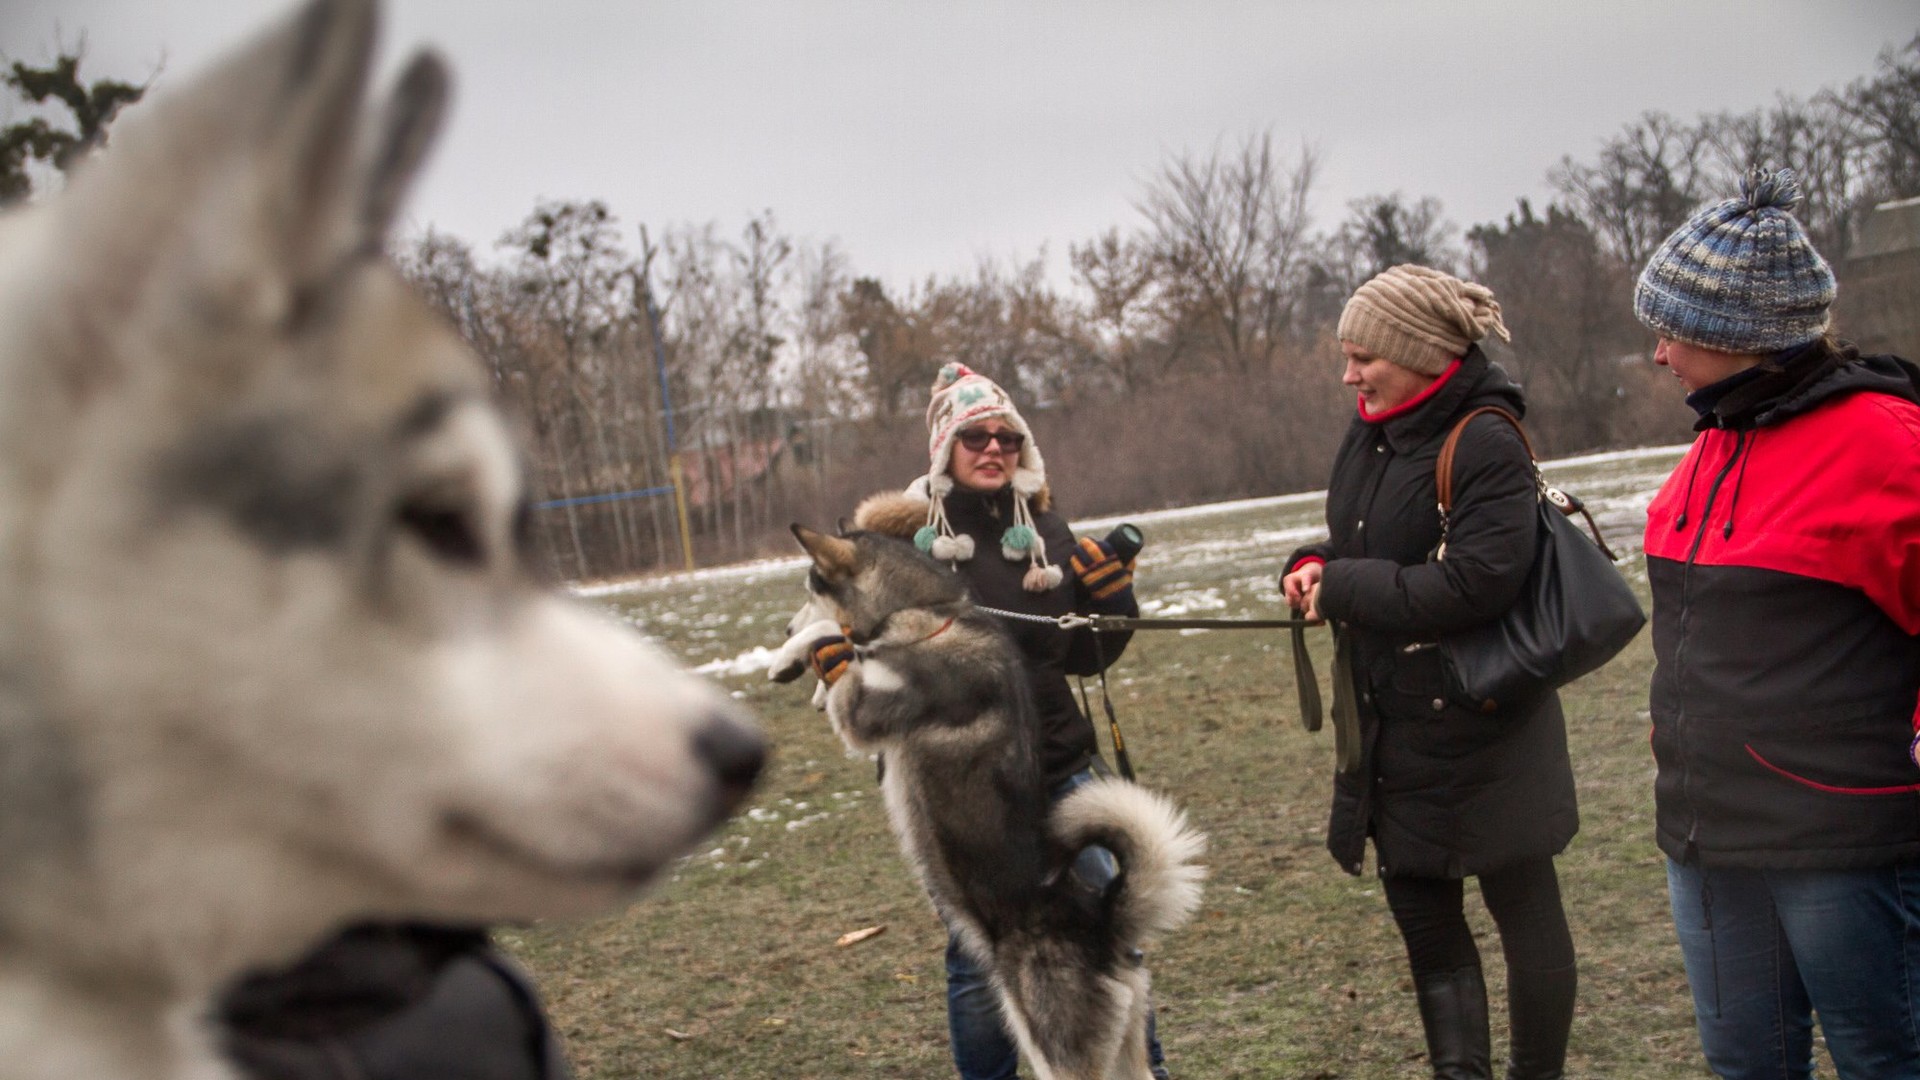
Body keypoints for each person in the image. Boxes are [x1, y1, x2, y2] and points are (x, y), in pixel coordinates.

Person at [1633, 167, 1920, 1080]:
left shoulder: (1883, 439)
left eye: (1673, 331)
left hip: (1842, 841)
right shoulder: (1720, 433)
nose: (1659, 354)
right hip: (1706, 837)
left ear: (1741, 337)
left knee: (1887, 1058)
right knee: (1745, 1065)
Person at [808, 362, 1162, 1080]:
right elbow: (839, 619)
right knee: (982, 959)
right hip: (963, 784)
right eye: (976, 436)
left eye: (1007, 436)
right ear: (944, 448)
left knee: (1107, 931)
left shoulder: (1045, 531)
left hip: (1056, 763)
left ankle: (1138, 1069)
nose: (994, 448)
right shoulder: (896, 546)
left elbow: (1083, 652)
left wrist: (1113, 602)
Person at [1280, 266, 1580, 1080]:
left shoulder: (1484, 437)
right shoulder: (1374, 427)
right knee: (1424, 920)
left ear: (1418, 352)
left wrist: (1344, 585)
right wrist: (1315, 561)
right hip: (1394, 722)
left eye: (1363, 356)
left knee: (1524, 913)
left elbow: (1478, 582)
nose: (1350, 375)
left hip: (1488, 722)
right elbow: (1371, 541)